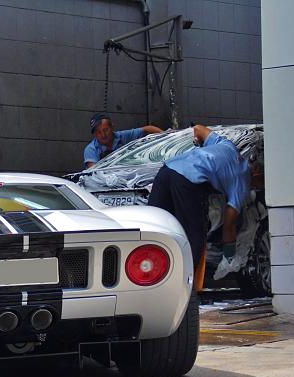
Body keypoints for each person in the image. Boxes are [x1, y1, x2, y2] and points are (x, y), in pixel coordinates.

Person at [147, 125, 251, 274]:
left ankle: (149, 275)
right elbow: (229, 222)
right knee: (193, 237)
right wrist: (229, 255)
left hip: (167, 170)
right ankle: (187, 289)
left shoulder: (228, 146)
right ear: (257, 175)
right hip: (187, 179)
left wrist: (198, 144)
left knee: (155, 228)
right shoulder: (243, 182)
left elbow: (198, 129)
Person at [83, 113, 163, 169]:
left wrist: (166, 134)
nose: (103, 135)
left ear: (112, 127)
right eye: (98, 132)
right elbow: (94, 173)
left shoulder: (122, 136)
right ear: (94, 135)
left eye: (105, 130)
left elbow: (147, 129)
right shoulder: (91, 150)